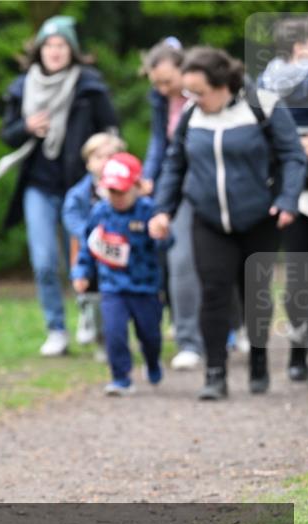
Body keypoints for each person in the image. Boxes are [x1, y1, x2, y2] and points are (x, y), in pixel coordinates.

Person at [150, 47, 307, 400]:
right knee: (214, 291)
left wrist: (286, 200)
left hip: (259, 218)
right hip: (208, 218)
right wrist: (162, 210)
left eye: (199, 92)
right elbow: (175, 164)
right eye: (189, 92)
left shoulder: (262, 105)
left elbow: (292, 156)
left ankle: (258, 361)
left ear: (223, 85)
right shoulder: (193, 115)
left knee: (256, 295)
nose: (192, 99)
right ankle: (215, 374)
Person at [0, 15, 119, 357]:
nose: (55, 51)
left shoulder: (89, 85)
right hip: (38, 187)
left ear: (71, 50)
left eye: (61, 45)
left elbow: (112, 130)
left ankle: (96, 328)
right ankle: (56, 330)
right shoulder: (22, 86)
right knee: (45, 262)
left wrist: (103, 162)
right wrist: (27, 127)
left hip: (81, 188)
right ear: (39, 50)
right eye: (49, 44)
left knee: (87, 260)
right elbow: (7, 134)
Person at [72, 153, 170, 395]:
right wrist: (81, 272)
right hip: (112, 286)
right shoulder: (100, 212)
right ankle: (120, 378)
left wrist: (161, 234)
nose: (116, 197)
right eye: (111, 191)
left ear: (137, 186)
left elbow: (167, 245)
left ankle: (152, 361)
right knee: (114, 332)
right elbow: (88, 245)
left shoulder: (149, 210)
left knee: (150, 335)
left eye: (121, 191)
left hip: (145, 288)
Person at [142, 37, 206, 372]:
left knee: (217, 261)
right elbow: (160, 142)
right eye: (157, 83)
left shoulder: (208, 92)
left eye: (168, 81)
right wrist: (148, 177)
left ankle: (229, 326)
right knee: (178, 258)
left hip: (210, 183)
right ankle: (188, 341)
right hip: (177, 181)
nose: (163, 88)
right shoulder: (160, 98)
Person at [259, 16, 308, 384]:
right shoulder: (267, 86)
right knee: (298, 282)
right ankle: (298, 350)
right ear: (299, 47)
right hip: (296, 193)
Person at [62, 133, 127, 354]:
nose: (105, 161)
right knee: (94, 296)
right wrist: (92, 237)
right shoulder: (79, 195)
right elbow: (72, 219)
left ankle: (115, 337)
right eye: (99, 157)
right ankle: (94, 327)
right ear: (89, 162)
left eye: (111, 156)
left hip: (121, 256)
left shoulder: (128, 191)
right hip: (90, 255)